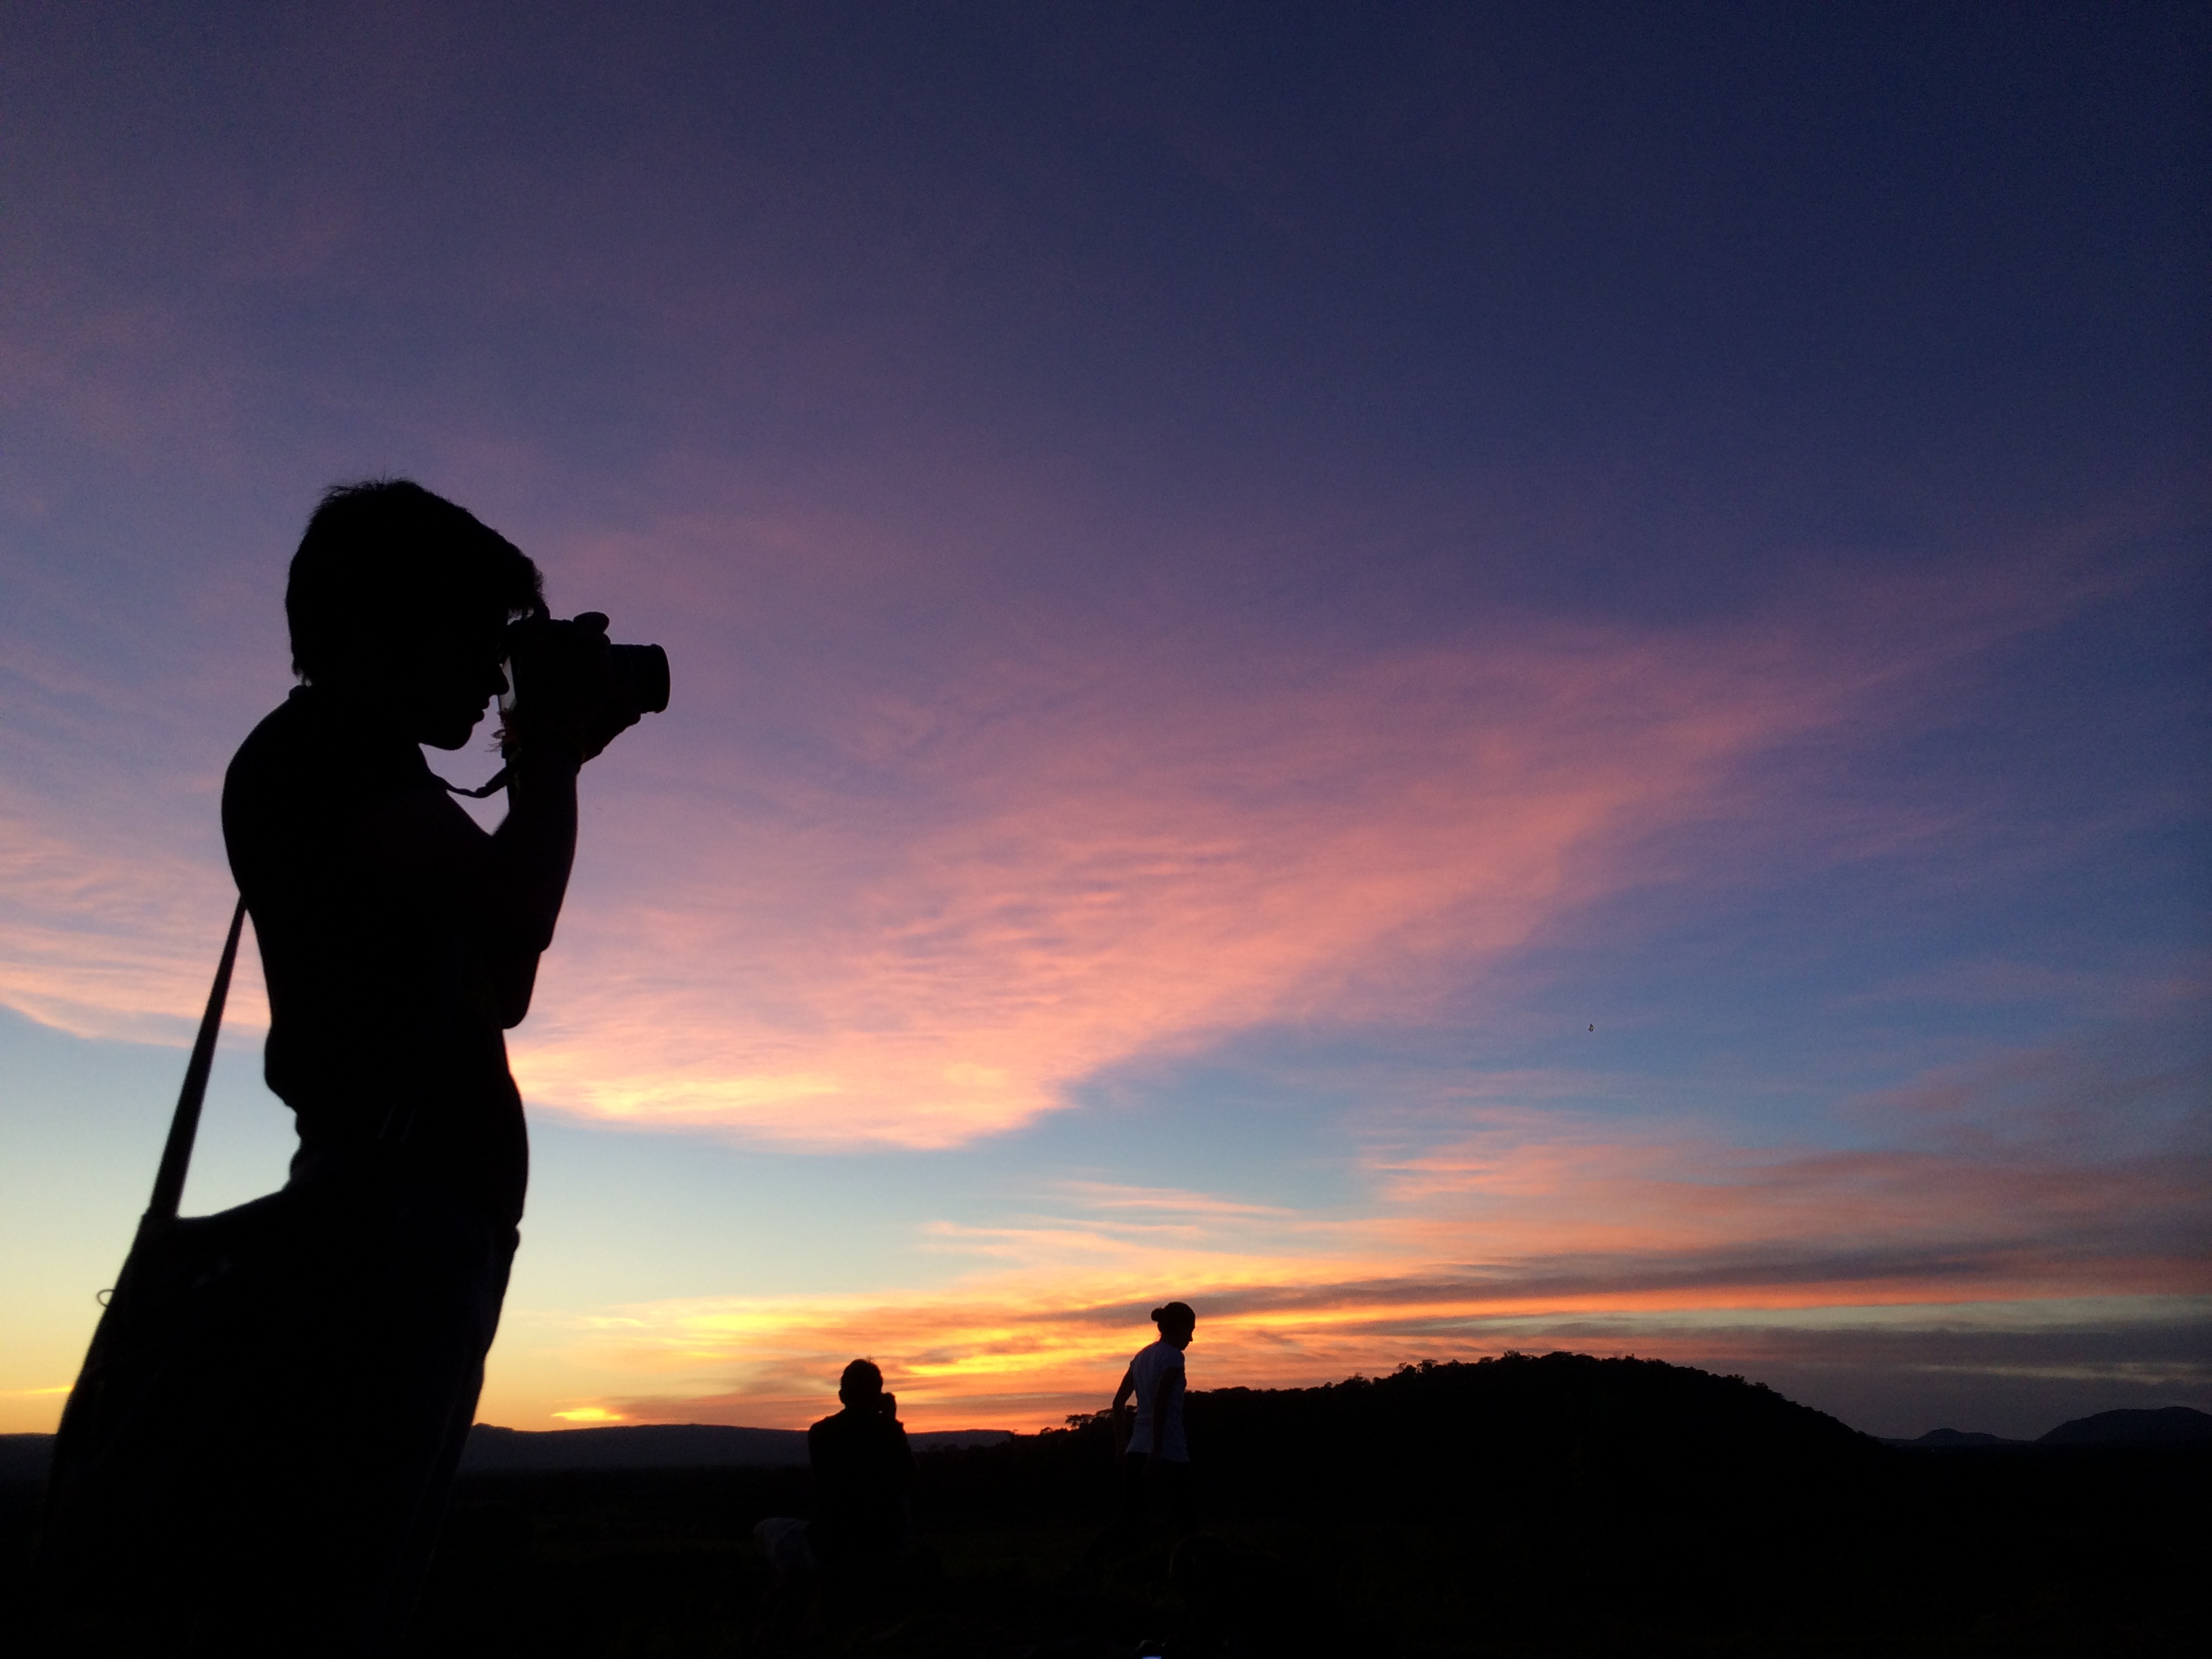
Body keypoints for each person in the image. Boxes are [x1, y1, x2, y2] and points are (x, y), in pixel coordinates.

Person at [199, 479, 640, 1652]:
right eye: (482, 638)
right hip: (386, 1221)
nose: (496, 676)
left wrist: (547, 759)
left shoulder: (364, 767)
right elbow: (519, 906)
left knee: (356, 1590)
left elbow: (503, 983)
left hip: (420, 1217)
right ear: (398, 623)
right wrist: (552, 748)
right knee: (334, 1604)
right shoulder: (326, 750)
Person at [806, 1358, 918, 1579]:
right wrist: (889, 1421)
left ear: (842, 1395)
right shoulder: (888, 1431)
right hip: (883, 1538)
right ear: (877, 1396)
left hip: (831, 1539)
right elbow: (910, 1477)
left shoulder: (819, 1432)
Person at [1105, 1301, 1196, 1545]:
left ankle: (1086, 1563)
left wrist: (1121, 1449)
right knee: (1188, 1521)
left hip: (1136, 1449)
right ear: (1178, 1328)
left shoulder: (1141, 1356)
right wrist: (1156, 1454)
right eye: (1189, 1331)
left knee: (1129, 1521)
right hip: (1169, 1451)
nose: (1191, 1339)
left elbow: (1118, 1403)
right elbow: (1161, 1403)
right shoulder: (1174, 1357)